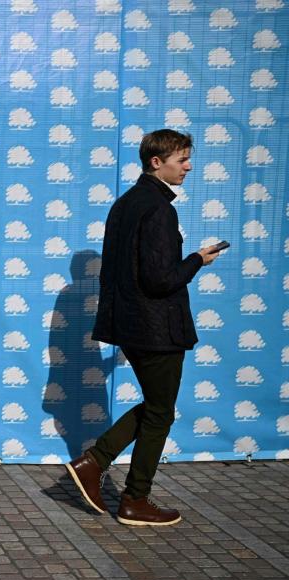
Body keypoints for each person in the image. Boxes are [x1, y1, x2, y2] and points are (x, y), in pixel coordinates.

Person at [66, 129, 224, 526]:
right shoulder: (158, 209)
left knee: (156, 406)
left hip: (132, 326)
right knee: (160, 412)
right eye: (182, 159)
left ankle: (95, 463)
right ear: (157, 162)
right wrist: (195, 261)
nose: (189, 167)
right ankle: (134, 498)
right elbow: (159, 279)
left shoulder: (124, 204)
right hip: (157, 327)